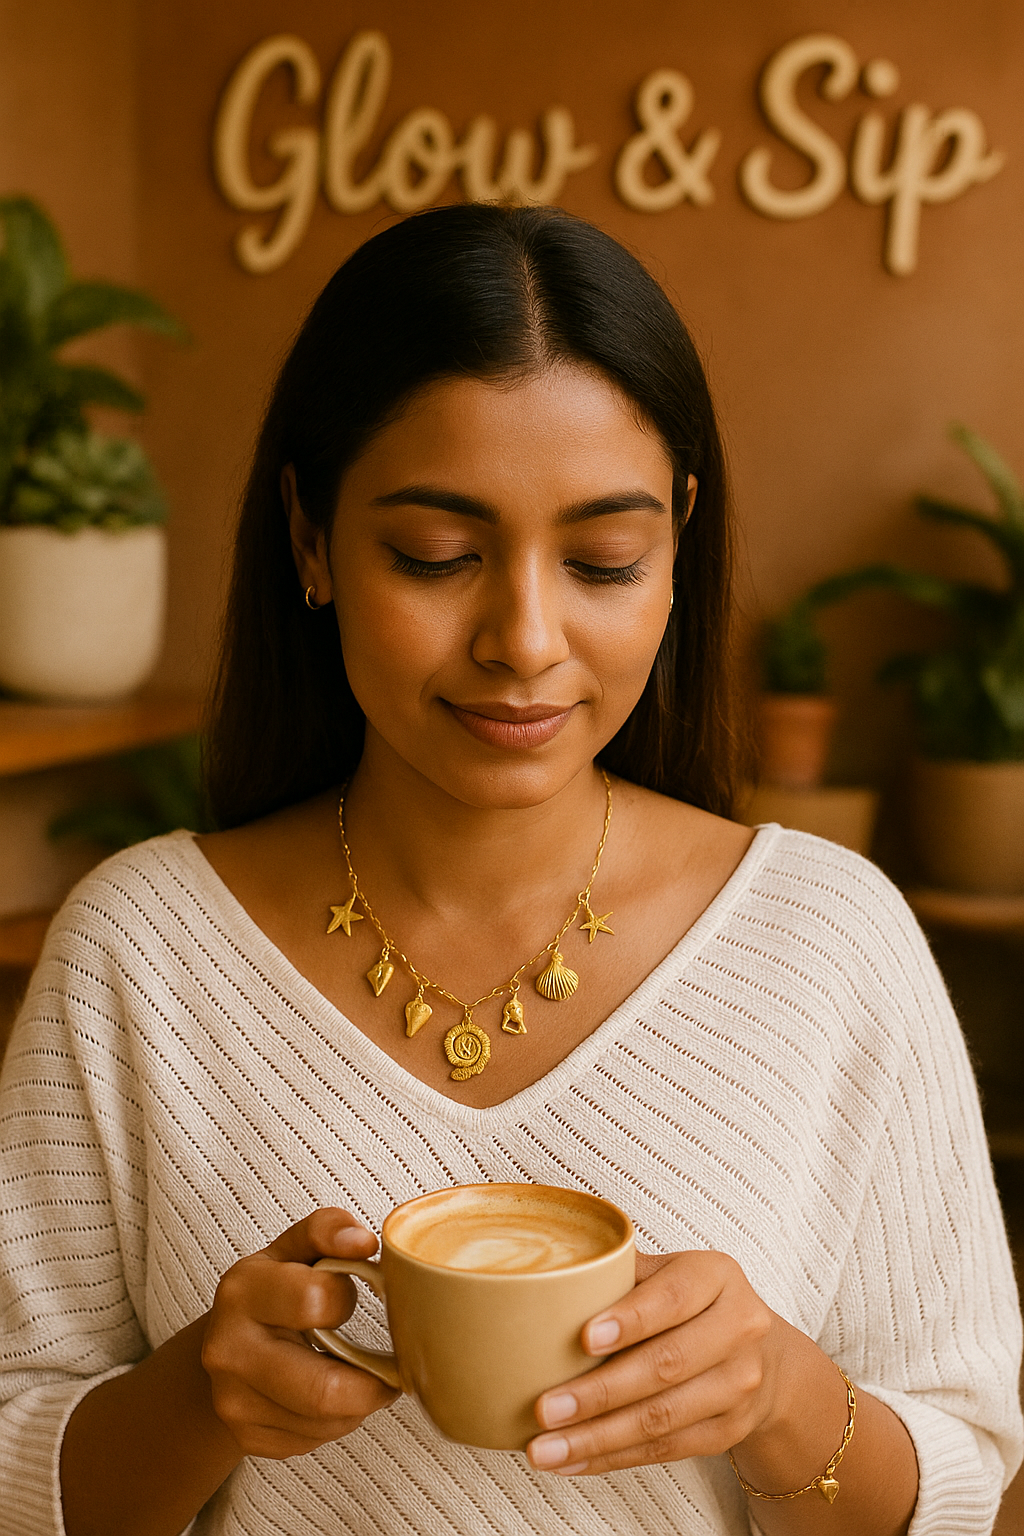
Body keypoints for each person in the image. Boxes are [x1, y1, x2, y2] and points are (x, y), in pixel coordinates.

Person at [0, 205, 1020, 1536]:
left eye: (605, 557)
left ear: (679, 544)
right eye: (438, 556)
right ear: (310, 537)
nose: (525, 639)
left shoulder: (832, 944)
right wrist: (196, 1400)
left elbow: (977, 1487)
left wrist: (779, 1398)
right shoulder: (138, 955)